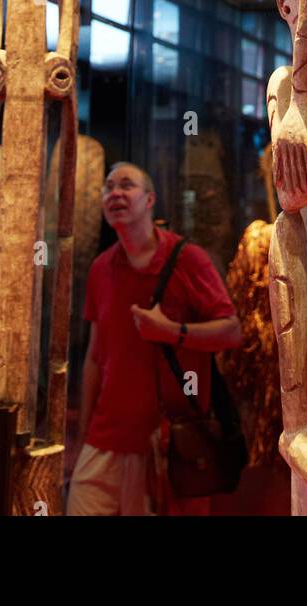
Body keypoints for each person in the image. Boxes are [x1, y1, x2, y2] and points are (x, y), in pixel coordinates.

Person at [67, 162, 242, 516]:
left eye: (126, 185)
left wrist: (172, 333)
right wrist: (83, 437)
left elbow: (231, 331)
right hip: (104, 441)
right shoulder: (101, 268)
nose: (114, 193)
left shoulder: (188, 259)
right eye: (108, 187)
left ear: (149, 200)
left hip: (165, 443)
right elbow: (94, 359)